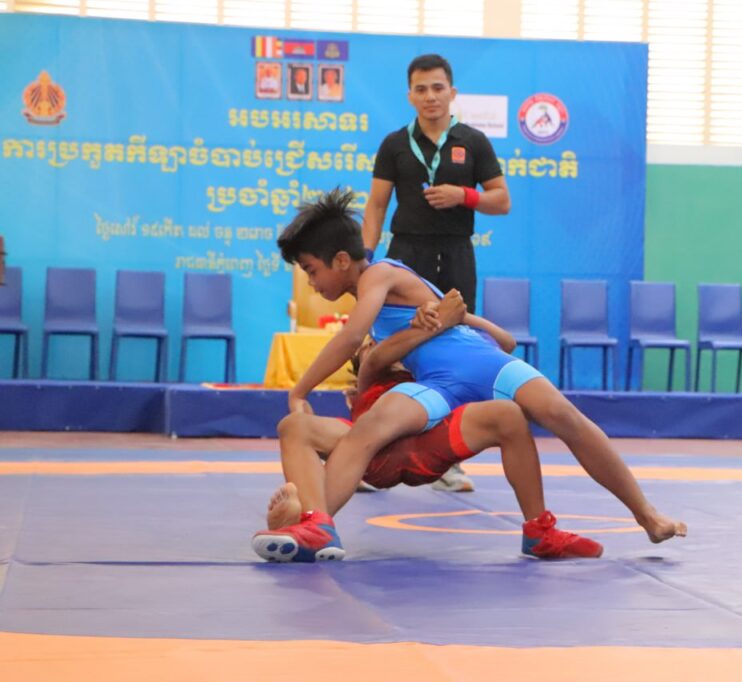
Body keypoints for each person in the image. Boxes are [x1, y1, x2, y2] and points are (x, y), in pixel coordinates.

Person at [259, 188, 686, 561]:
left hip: (482, 366)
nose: (311, 283)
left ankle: (644, 516)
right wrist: (440, 323)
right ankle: (318, 526)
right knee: (370, 427)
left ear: (340, 260)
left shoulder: (379, 274)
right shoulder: (387, 298)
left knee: (564, 417)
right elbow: (493, 334)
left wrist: (300, 390)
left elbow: (353, 337)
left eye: (311, 270)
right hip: (437, 385)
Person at [253, 293, 603, 561]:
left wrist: (460, 317)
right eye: (369, 344)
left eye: (378, 340)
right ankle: (311, 521)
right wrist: (429, 323)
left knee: (508, 415)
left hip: (427, 446)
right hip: (370, 454)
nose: (374, 345)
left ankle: (539, 531)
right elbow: (379, 354)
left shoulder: (430, 373)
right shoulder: (371, 370)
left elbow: (505, 342)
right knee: (294, 426)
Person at [361, 53, 509, 316]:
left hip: (457, 254)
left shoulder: (474, 141)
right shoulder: (394, 144)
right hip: (406, 254)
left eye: (438, 88)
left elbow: (502, 201)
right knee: (405, 330)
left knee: (458, 329)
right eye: (421, 89)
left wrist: (463, 196)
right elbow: (377, 205)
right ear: (410, 96)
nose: (430, 96)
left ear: (452, 93)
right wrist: (366, 255)